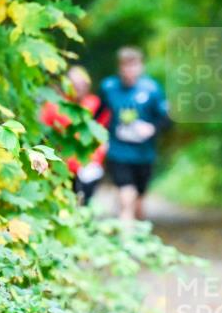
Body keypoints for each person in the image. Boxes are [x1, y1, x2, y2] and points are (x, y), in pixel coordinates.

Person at [98, 47, 171, 220]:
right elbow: (99, 114)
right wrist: (100, 138)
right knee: (126, 196)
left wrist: (152, 128)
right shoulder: (109, 87)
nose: (129, 70)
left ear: (141, 67)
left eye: (133, 65)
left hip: (144, 154)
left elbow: (166, 119)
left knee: (138, 202)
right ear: (120, 67)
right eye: (126, 66)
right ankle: (125, 230)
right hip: (118, 151)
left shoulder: (152, 89)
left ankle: (138, 230)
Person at [40, 65, 107, 205]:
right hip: (61, 165)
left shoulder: (95, 104)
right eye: (74, 84)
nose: (78, 88)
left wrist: (97, 158)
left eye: (82, 84)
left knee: (84, 202)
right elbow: (44, 134)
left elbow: (103, 133)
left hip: (88, 166)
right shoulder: (55, 106)